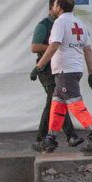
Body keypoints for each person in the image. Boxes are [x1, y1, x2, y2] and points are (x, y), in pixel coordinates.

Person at [35, 0, 92, 153]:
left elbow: (54, 45)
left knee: (75, 104)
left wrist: (38, 66)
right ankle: (50, 139)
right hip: (74, 69)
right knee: (57, 104)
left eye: (54, 5)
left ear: (59, 7)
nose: (52, 8)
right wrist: (91, 72)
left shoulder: (59, 23)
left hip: (64, 71)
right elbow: (88, 50)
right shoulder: (80, 23)